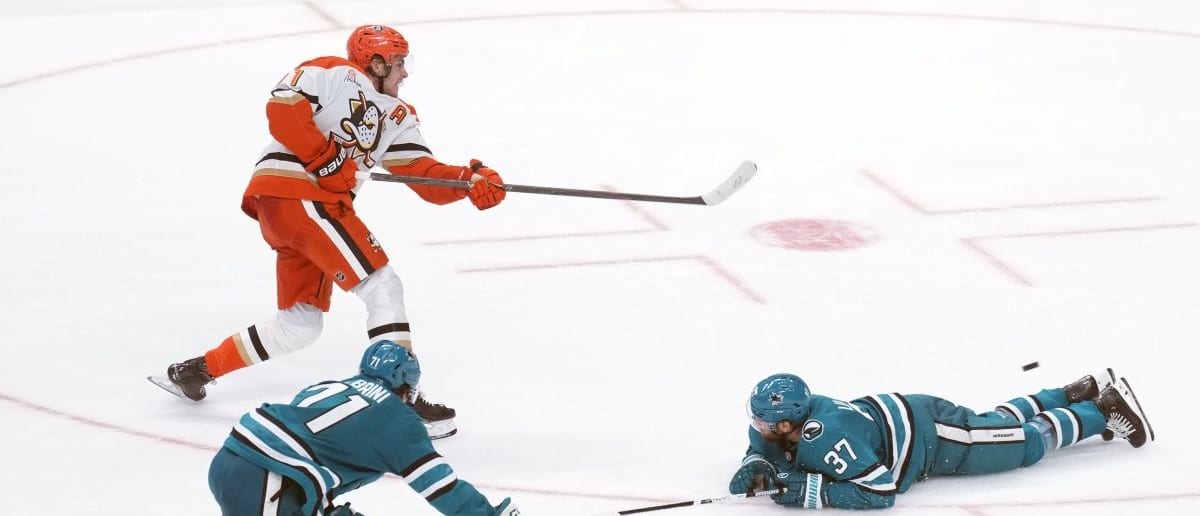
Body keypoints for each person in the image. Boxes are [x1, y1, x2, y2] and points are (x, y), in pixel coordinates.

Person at [152, 24, 507, 433]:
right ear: (376, 63)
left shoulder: (398, 116)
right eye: (399, 62)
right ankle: (399, 402)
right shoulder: (335, 72)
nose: (405, 72)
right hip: (301, 195)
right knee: (381, 286)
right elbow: (283, 109)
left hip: (293, 210)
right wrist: (325, 159)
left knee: (300, 325)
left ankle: (197, 370)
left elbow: (424, 175)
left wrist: (468, 181)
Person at [728, 369, 1155, 509]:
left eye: (765, 423)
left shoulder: (825, 437)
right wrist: (756, 465)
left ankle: (1101, 410)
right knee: (990, 422)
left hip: (933, 441)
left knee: (1020, 444)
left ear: (788, 424)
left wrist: (809, 492)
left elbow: (880, 490)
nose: (757, 427)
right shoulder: (792, 421)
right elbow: (764, 448)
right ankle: (1068, 393)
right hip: (911, 414)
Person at [209, 340, 521, 516]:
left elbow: (309, 450)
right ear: (406, 384)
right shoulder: (399, 420)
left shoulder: (330, 386)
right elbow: (441, 487)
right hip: (268, 477)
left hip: (235, 457)